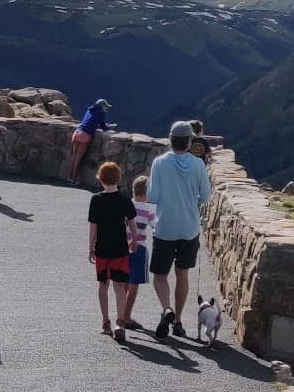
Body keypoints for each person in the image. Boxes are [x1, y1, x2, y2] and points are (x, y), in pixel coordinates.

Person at [146, 120, 212, 340]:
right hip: (189, 227)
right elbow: (206, 197)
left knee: (160, 275)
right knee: (182, 274)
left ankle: (166, 309)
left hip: (165, 226)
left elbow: (153, 197)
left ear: (170, 139)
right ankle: (179, 321)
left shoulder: (159, 163)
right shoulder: (199, 165)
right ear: (190, 142)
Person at [88, 162, 137, 343]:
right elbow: (132, 221)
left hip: (102, 249)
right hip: (119, 249)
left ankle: (105, 322)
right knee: (119, 286)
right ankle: (120, 321)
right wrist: (134, 240)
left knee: (103, 285)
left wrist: (90, 247)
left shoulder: (96, 200)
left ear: (100, 180)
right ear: (118, 179)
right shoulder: (125, 199)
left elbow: (93, 225)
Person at [121, 174, 155, 330]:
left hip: (123, 248)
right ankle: (126, 317)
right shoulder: (149, 209)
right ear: (148, 193)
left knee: (124, 282)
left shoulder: (126, 205)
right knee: (134, 286)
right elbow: (155, 226)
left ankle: (123, 313)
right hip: (139, 248)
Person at [69, 98, 111, 183]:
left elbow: (90, 122)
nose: (106, 108)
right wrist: (109, 127)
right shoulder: (101, 112)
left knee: (74, 157)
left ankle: (69, 177)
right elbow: (103, 125)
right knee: (78, 159)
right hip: (85, 135)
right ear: (102, 106)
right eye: (105, 106)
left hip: (77, 132)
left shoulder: (89, 110)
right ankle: (73, 179)